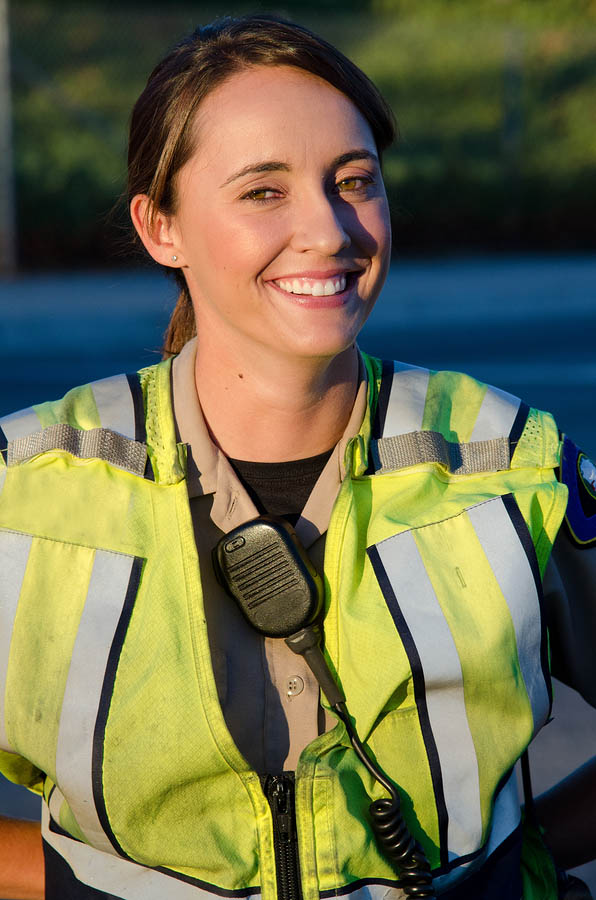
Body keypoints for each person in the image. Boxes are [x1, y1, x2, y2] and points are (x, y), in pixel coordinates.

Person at [0, 13, 595, 900]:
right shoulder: (26, 487)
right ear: (161, 227)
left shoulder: (513, 465)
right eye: (264, 192)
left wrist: (512, 857)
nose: (330, 231)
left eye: (354, 180)